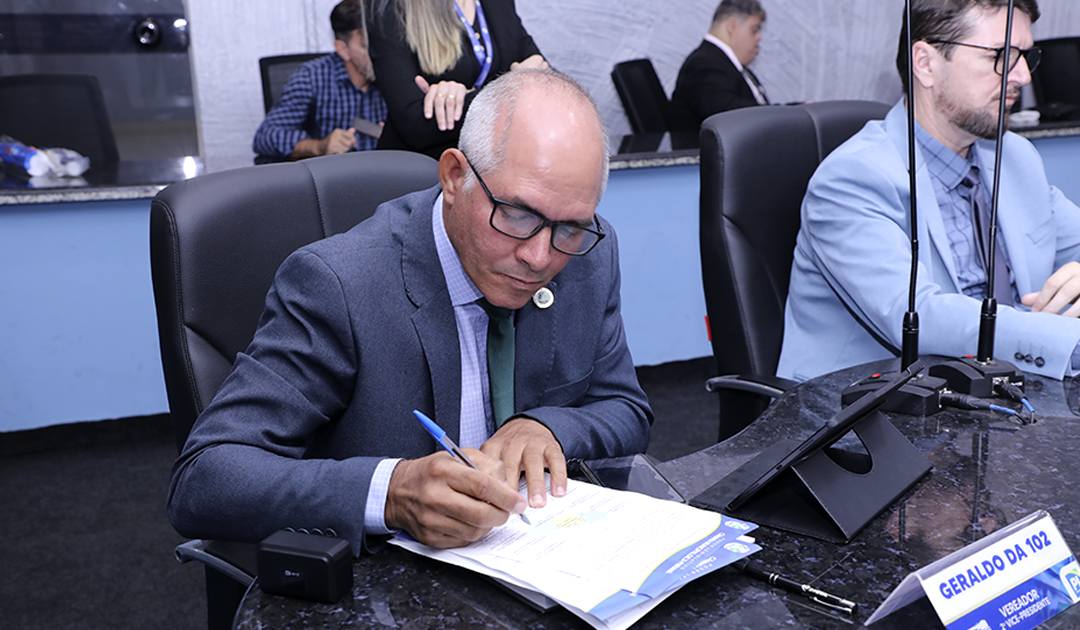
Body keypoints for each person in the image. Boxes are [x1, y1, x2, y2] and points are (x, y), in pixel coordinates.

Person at [168, 68, 653, 553]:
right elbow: (204, 480)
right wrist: (393, 492)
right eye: (517, 215)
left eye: (569, 227)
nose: (540, 257)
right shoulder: (337, 285)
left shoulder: (589, 253)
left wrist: (548, 427)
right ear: (455, 177)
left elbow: (625, 408)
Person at [778, 0, 1080, 382]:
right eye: (1001, 56)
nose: (1022, 76)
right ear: (925, 63)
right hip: (870, 404)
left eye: (1025, 57)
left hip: (1000, 391)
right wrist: (1069, 342)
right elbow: (920, 317)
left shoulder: (1015, 157)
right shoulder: (851, 179)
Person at [365, 0, 548, 159]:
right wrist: (513, 88)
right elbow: (415, 125)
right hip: (423, 173)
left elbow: (544, 77)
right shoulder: (386, 6)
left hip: (491, 163)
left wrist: (468, 99)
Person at [252, 0, 387, 163]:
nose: (379, 51)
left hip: (385, 172)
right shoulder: (311, 77)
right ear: (343, 50)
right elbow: (266, 136)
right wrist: (320, 147)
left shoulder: (394, 73)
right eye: (367, 46)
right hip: (333, 173)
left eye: (382, 42)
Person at [668, 0, 769, 132]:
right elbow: (729, 114)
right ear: (731, 26)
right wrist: (784, 113)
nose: (759, 37)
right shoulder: (703, 64)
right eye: (754, 30)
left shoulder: (723, 64)